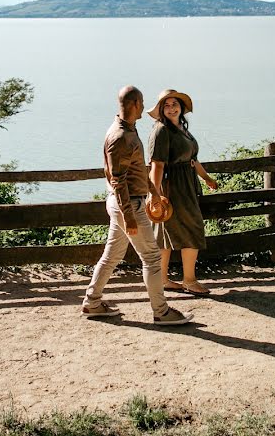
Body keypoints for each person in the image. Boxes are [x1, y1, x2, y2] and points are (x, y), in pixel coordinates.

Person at [81, 85, 193, 326]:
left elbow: (136, 170)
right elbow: (118, 180)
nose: (144, 107)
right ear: (134, 104)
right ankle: (161, 313)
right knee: (152, 258)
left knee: (112, 255)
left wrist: (153, 191)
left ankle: (92, 302)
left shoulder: (128, 130)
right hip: (128, 204)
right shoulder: (121, 137)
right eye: (142, 102)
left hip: (125, 202)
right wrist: (129, 216)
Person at [147, 89, 218, 296]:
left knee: (166, 232)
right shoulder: (161, 130)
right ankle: (189, 280)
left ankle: (163, 280)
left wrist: (206, 178)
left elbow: (192, 160)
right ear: (161, 110)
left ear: (181, 107)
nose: (171, 108)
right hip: (172, 187)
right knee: (192, 228)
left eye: (174, 104)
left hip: (186, 184)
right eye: (166, 105)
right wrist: (154, 194)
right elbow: (157, 165)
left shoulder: (181, 129)